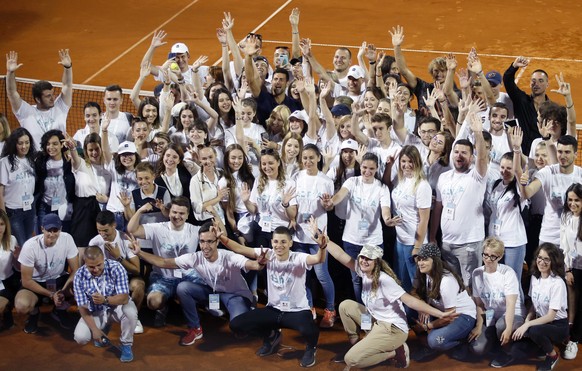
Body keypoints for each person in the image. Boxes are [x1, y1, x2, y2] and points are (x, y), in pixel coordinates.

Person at [315, 221, 456, 369]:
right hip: (377, 322)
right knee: (345, 306)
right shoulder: (363, 271)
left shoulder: (384, 281)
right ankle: (356, 345)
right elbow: (339, 254)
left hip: (393, 329)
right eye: (362, 257)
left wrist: (440, 314)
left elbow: (410, 301)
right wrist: (323, 239)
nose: (363, 260)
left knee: (351, 360)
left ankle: (394, 352)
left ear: (376, 262)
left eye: (368, 258)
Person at [129, 222, 263, 346]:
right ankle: (195, 328)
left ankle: (250, 312)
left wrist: (260, 263)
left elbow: (252, 265)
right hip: (213, 294)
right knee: (183, 287)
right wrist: (139, 253)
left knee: (238, 328)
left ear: (217, 242)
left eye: (210, 241)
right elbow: (164, 262)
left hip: (236, 296)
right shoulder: (195, 258)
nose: (205, 246)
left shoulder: (229, 256)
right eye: (202, 241)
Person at [224, 226, 326, 368]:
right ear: (271, 242)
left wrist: (322, 247)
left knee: (308, 330)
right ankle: (271, 336)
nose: (279, 245)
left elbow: (318, 259)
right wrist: (221, 237)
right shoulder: (268, 254)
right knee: (236, 325)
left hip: (297, 310)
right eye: (276, 241)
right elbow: (240, 249)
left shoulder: (298, 257)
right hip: (273, 310)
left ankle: (311, 349)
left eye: (283, 242)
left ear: (290, 243)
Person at [321, 152, 391, 302]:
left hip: (373, 241)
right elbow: (340, 195)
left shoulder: (382, 188)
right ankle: (361, 311)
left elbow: (385, 210)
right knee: (357, 279)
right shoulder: (352, 182)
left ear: (377, 168)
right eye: (365, 167)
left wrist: (388, 220)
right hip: (352, 239)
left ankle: (372, 310)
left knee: (373, 279)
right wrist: (331, 203)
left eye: (371, 169)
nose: (367, 172)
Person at [430, 113, 489, 287]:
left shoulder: (477, 176)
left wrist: (478, 134)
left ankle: (473, 315)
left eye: (464, 153)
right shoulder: (444, 177)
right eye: (456, 152)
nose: (459, 155)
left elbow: (483, 158)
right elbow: (438, 208)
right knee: (452, 287)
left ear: (471, 157)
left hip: (469, 244)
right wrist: (433, 236)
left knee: (471, 289)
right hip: (447, 243)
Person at [126, 196, 203, 328]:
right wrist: (139, 211)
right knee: (153, 302)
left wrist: (214, 214)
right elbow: (132, 230)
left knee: (209, 293)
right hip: (163, 278)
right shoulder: (158, 228)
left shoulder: (195, 230)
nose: (177, 216)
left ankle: (194, 308)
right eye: (174, 212)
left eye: (181, 213)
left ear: (187, 215)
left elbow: (220, 235)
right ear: (169, 212)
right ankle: (163, 308)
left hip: (188, 277)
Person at [411, 243, 477, 362]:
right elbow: (414, 292)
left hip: (463, 317)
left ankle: (462, 341)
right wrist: (423, 307)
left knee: (435, 340)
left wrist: (427, 326)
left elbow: (450, 317)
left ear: (435, 261)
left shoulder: (446, 281)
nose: (420, 263)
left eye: (425, 259)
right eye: (419, 259)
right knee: (410, 310)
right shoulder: (425, 273)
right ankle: (430, 344)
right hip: (443, 313)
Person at [293, 144, 336, 327]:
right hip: (298, 235)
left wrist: (327, 205)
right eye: (305, 158)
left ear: (319, 158)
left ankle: (330, 309)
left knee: (321, 274)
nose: (308, 161)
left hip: (317, 235)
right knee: (302, 275)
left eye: (311, 157)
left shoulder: (326, 180)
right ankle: (309, 307)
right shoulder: (296, 177)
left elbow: (330, 207)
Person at [15, 214, 79, 334]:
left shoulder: (67, 238)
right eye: (49, 230)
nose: (52, 234)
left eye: (56, 230)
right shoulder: (30, 246)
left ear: (60, 229)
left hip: (59, 280)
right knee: (21, 305)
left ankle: (60, 309)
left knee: (81, 286)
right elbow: (26, 281)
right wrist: (51, 295)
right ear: (42, 228)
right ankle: (34, 313)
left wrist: (62, 291)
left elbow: (76, 271)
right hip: (35, 282)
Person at [469, 237, 526, 368]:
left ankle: (509, 353)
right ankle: (497, 341)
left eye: (493, 257)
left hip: (512, 314)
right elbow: (479, 304)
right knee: (477, 349)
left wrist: (508, 328)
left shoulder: (507, 273)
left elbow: (511, 305)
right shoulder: (476, 273)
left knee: (502, 326)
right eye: (485, 255)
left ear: (500, 257)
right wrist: (479, 325)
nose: (488, 259)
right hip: (491, 316)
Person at [84, 210, 145, 334]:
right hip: (105, 279)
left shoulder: (125, 240)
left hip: (126, 277)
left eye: (105, 230)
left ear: (114, 225)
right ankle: (102, 314)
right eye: (99, 230)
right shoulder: (94, 242)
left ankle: (134, 317)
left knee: (139, 286)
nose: (102, 234)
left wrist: (118, 257)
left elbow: (137, 269)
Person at [73, 246, 136, 362]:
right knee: (80, 337)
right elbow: (82, 307)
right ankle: (104, 328)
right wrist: (94, 330)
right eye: (91, 267)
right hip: (96, 311)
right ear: (85, 263)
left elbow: (124, 298)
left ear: (104, 259)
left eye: (99, 265)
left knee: (130, 312)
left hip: (117, 307)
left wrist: (105, 300)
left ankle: (126, 344)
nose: (96, 269)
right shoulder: (79, 276)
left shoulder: (116, 268)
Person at [511, 243, 569, 371]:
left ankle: (553, 356)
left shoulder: (557, 283)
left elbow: (550, 316)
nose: (541, 262)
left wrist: (528, 325)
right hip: (540, 323)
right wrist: (526, 321)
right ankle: (542, 346)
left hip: (557, 325)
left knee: (534, 331)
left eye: (546, 259)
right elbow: (533, 305)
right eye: (540, 257)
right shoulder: (535, 277)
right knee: (515, 350)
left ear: (553, 261)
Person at [519, 135, 582, 246]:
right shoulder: (548, 172)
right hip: (550, 238)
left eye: (567, 152)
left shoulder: (580, 175)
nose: (562, 156)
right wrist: (523, 185)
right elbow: (527, 193)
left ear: (576, 155)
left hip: (574, 238)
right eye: (560, 151)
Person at [5, 50, 73, 150]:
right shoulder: (26, 112)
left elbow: (67, 85)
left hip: (60, 159)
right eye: (48, 96)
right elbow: (11, 92)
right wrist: (10, 72)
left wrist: (68, 67)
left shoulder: (60, 107)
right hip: (37, 162)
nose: (52, 98)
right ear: (38, 99)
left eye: (52, 94)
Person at [390, 145, 432, 291]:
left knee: (417, 285)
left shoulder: (422, 185)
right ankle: (406, 314)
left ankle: (420, 313)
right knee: (401, 282)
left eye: (410, 161)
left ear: (417, 162)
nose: (406, 165)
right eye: (403, 161)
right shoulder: (400, 181)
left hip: (413, 243)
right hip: (400, 240)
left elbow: (424, 219)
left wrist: (417, 247)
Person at [67, 133, 112, 247]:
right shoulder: (81, 164)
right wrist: (72, 148)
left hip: (102, 211)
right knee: (82, 246)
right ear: (86, 151)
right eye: (90, 150)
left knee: (102, 246)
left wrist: (107, 199)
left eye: (97, 149)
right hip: (83, 210)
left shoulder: (108, 167)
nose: (94, 153)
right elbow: (75, 158)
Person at [502, 57, 550, 155]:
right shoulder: (521, 100)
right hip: (520, 154)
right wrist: (514, 66)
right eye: (533, 81)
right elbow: (508, 81)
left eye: (541, 81)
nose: (536, 84)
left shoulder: (551, 109)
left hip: (540, 156)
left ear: (547, 84)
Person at [0, 127, 36, 247]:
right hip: (13, 212)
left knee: (28, 245)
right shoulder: (5, 162)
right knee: (21, 246)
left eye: (27, 142)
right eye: (20, 143)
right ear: (14, 144)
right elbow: (0, 191)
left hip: (30, 209)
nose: (24, 146)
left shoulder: (32, 160)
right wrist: (3, 215)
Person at [34, 129, 75, 233]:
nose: (51, 147)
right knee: (45, 237)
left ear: (62, 145)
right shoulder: (40, 161)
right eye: (48, 144)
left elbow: (82, 154)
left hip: (63, 207)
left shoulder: (69, 161)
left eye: (55, 144)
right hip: (45, 207)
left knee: (64, 236)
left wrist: (71, 148)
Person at [559, 183, 582, 360]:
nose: (572, 204)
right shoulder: (566, 216)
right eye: (570, 200)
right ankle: (571, 336)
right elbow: (564, 246)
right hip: (572, 267)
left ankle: (575, 338)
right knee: (572, 303)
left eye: (577, 200)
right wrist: (567, 269)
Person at [0, 209, 19, 331]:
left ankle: (7, 311)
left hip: (8, 282)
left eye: (1, 224)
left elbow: (18, 268)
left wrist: (18, 258)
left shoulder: (12, 240)